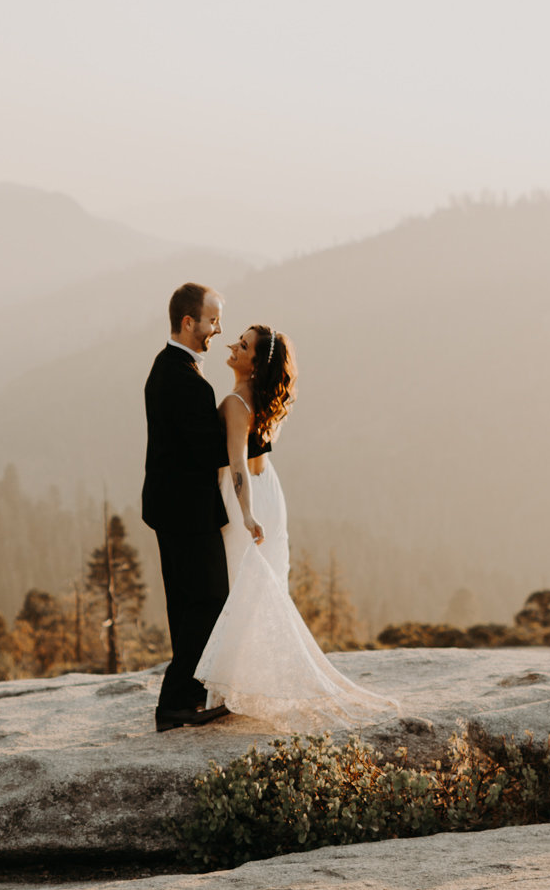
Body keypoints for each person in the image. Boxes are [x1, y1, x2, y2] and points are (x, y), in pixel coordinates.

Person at [195, 324, 399, 731]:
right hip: (268, 489)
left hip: (247, 498)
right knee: (258, 590)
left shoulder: (236, 401)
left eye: (244, 344)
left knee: (242, 587)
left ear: (254, 363)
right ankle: (232, 688)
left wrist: (247, 514)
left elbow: (237, 464)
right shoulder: (260, 398)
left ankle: (224, 693)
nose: (234, 345)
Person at [142, 282, 235, 732]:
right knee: (210, 598)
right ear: (188, 322)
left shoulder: (167, 367)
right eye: (213, 320)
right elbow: (209, 451)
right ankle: (176, 699)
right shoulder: (184, 380)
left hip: (170, 508)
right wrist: (251, 427)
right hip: (188, 512)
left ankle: (186, 699)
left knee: (185, 604)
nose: (218, 329)